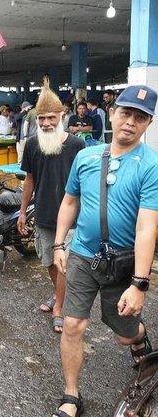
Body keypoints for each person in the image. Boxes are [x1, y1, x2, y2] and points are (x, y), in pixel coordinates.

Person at [52, 85, 158, 417]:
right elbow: (69, 201)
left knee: (124, 335)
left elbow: (146, 227)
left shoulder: (151, 165)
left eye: (140, 118)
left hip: (122, 262)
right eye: (125, 113)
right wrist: (58, 243)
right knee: (73, 325)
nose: (130, 122)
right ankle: (71, 396)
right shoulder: (85, 156)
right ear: (112, 114)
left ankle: (139, 340)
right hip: (83, 255)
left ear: (148, 124)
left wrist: (139, 284)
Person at [18, 81, 85, 335]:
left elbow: (85, 183)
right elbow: (30, 180)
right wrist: (23, 211)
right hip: (44, 214)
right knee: (48, 261)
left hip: (71, 219)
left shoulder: (77, 145)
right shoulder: (33, 144)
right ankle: (59, 295)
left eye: (51, 118)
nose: (46, 123)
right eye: (42, 118)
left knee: (63, 265)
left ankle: (59, 307)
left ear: (62, 116)